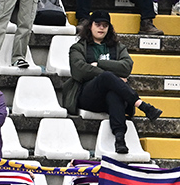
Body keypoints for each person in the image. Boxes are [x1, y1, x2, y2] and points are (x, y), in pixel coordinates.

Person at [61, 11, 162, 154]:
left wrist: (99, 63)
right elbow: (79, 71)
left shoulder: (117, 47)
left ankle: (120, 138)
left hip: (108, 97)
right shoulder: (78, 47)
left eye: (105, 25)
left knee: (113, 94)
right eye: (98, 24)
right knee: (107, 78)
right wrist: (111, 75)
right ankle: (141, 104)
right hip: (87, 96)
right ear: (90, 26)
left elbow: (126, 67)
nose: (101, 28)